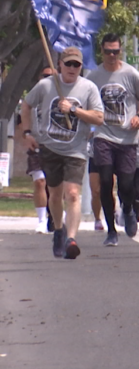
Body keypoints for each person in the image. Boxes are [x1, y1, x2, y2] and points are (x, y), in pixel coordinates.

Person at [20, 47, 104, 259]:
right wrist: (28, 132)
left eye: (77, 64)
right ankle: (59, 230)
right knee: (55, 195)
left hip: (75, 150)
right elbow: (27, 106)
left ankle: (71, 239)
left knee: (73, 194)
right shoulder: (46, 85)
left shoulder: (88, 88)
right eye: (69, 64)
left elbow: (99, 118)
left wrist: (74, 110)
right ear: (60, 64)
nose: (72, 68)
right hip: (50, 147)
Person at [87, 33, 139, 245]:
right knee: (105, 182)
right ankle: (111, 231)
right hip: (103, 135)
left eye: (115, 51)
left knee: (126, 184)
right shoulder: (93, 77)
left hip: (127, 139)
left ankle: (129, 209)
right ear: (102, 51)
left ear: (120, 51)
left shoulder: (131, 74)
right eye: (107, 51)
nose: (112, 55)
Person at [21, 67, 55, 233]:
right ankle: (41, 219)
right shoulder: (32, 99)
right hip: (37, 147)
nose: (47, 79)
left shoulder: (59, 98)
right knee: (40, 181)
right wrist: (26, 135)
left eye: (51, 76)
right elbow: (23, 118)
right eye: (45, 76)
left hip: (56, 147)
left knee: (55, 185)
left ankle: (54, 215)